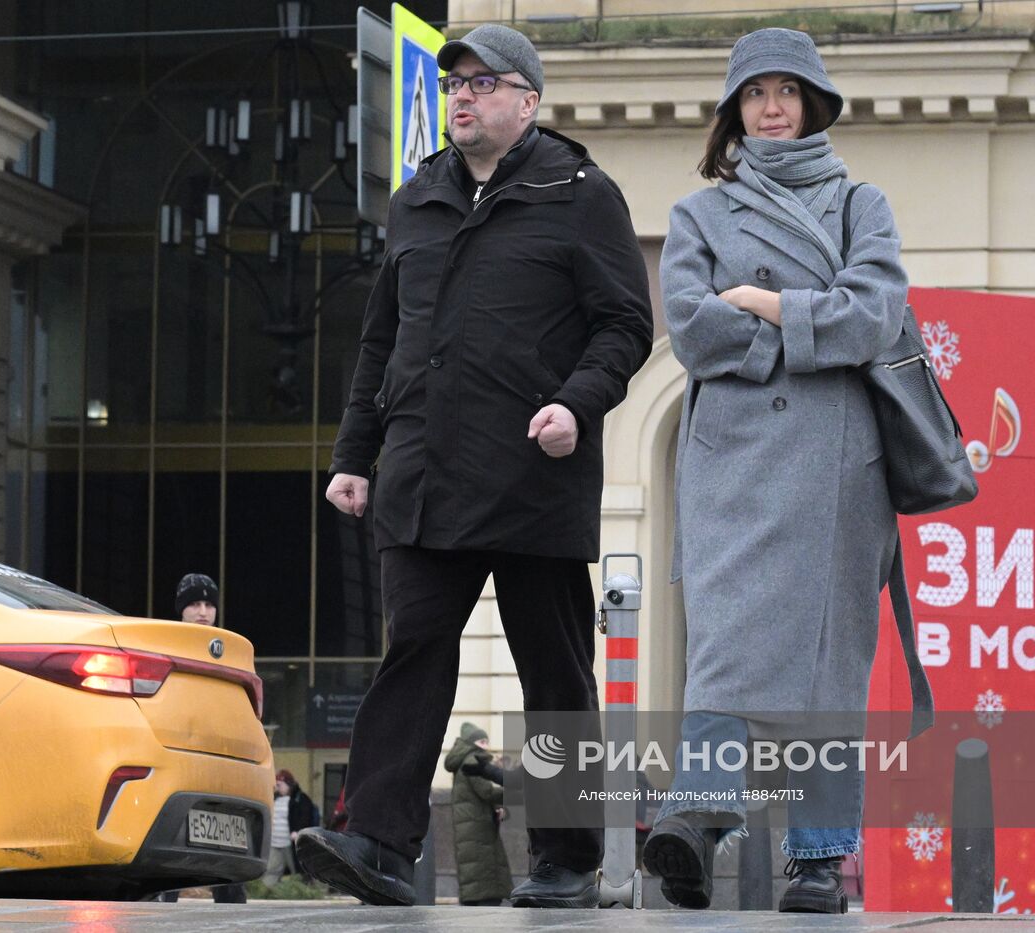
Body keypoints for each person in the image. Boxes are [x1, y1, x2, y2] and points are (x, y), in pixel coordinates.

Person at [293, 22, 653, 910]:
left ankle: (568, 858)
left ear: (528, 102)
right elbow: (382, 337)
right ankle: (377, 839)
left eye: (485, 83)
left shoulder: (580, 192)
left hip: (536, 471)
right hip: (423, 470)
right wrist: (354, 455)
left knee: (554, 670)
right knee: (413, 648)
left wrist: (577, 402)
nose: (463, 95)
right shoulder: (417, 200)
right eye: (455, 83)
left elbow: (625, 325)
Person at [641, 27, 930, 914]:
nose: (771, 108)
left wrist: (763, 304)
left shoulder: (860, 204)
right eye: (755, 93)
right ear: (735, 112)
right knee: (723, 651)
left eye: (787, 91)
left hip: (838, 467)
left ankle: (816, 862)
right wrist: (810, 329)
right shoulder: (699, 215)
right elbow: (690, 325)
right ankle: (698, 815)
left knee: (824, 669)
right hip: (732, 468)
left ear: (812, 104)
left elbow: (874, 315)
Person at [160, 572, 248, 905]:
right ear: (181, 609)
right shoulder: (167, 645)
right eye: (195, 604)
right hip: (181, 752)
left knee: (229, 834)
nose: (202, 611)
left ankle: (231, 905)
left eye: (209, 604)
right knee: (171, 834)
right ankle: (164, 903)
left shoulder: (229, 649)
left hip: (223, 754)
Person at [444, 723, 513, 906]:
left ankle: (474, 898)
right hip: (478, 826)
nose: (486, 746)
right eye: (482, 741)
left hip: (471, 823)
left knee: (474, 864)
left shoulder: (464, 760)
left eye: (486, 741)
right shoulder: (473, 760)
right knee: (484, 865)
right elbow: (486, 792)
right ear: (471, 743)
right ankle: (482, 899)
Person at [265, 769, 318, 888]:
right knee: (272, 869)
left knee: (297, 869)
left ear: (288, 784)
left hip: (290, 842)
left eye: (280, 785)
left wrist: (298, 831)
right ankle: (269, 889)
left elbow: (305, 816)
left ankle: (303, 888)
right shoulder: (275, 799)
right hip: (275, 841)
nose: (278, 788)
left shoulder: (301, 798)